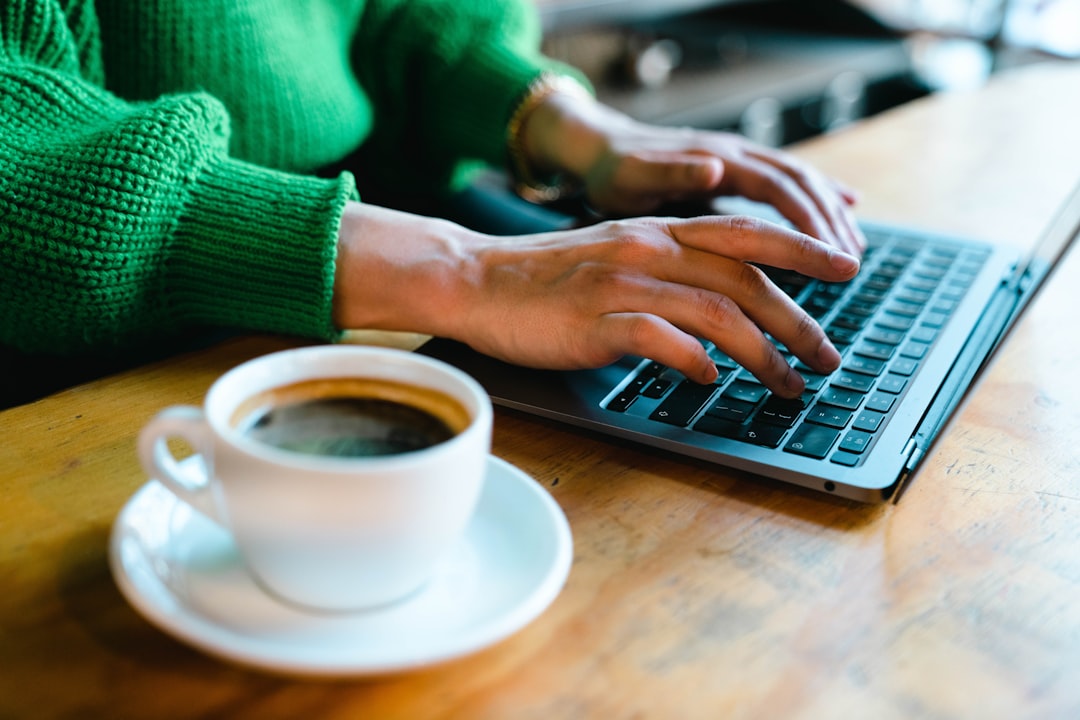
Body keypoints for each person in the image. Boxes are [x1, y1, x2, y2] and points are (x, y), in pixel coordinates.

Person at [0, 0, 864, 408]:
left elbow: (389, 16)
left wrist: (569, 126)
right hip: (95, 340)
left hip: (387, 227)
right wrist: (464, 270)